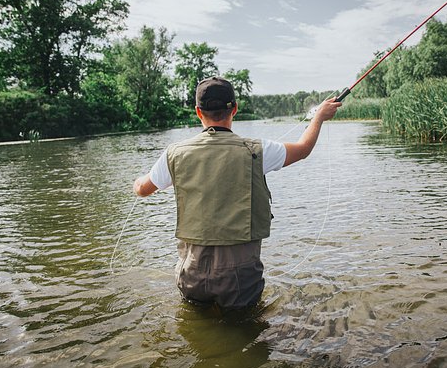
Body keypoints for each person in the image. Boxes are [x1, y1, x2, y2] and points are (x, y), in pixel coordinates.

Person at [134, 76, 341, 310]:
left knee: (195, 324)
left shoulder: (174, 154)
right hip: (240, 278)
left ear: (198, 112)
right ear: (235, 108)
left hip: (190, 271)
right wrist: (319, 117)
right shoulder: (257, 151)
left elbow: (142, 190)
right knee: (246, 330)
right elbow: (303, 149)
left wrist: (138, 181)